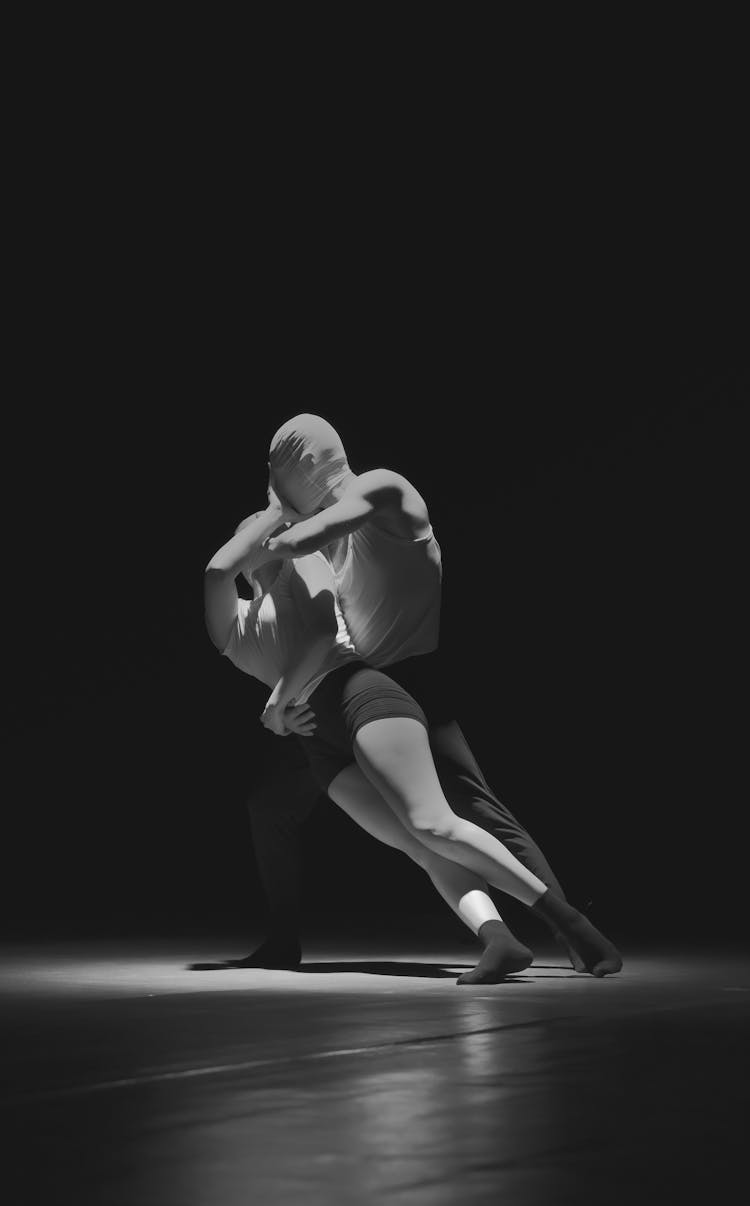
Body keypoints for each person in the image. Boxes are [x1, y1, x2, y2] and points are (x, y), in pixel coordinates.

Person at [205, 512, 622, 979]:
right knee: (420, 848)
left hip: (360, 696)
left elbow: (324, 632)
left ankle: (573, 924)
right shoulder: (234, 623)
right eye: (257, 527)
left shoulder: (304, 565)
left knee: (433, 822)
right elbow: (216, 572)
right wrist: (281, 714)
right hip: (319, 743)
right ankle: (499, 940)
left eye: (272, 526)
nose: (270, 530)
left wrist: (277, 704)